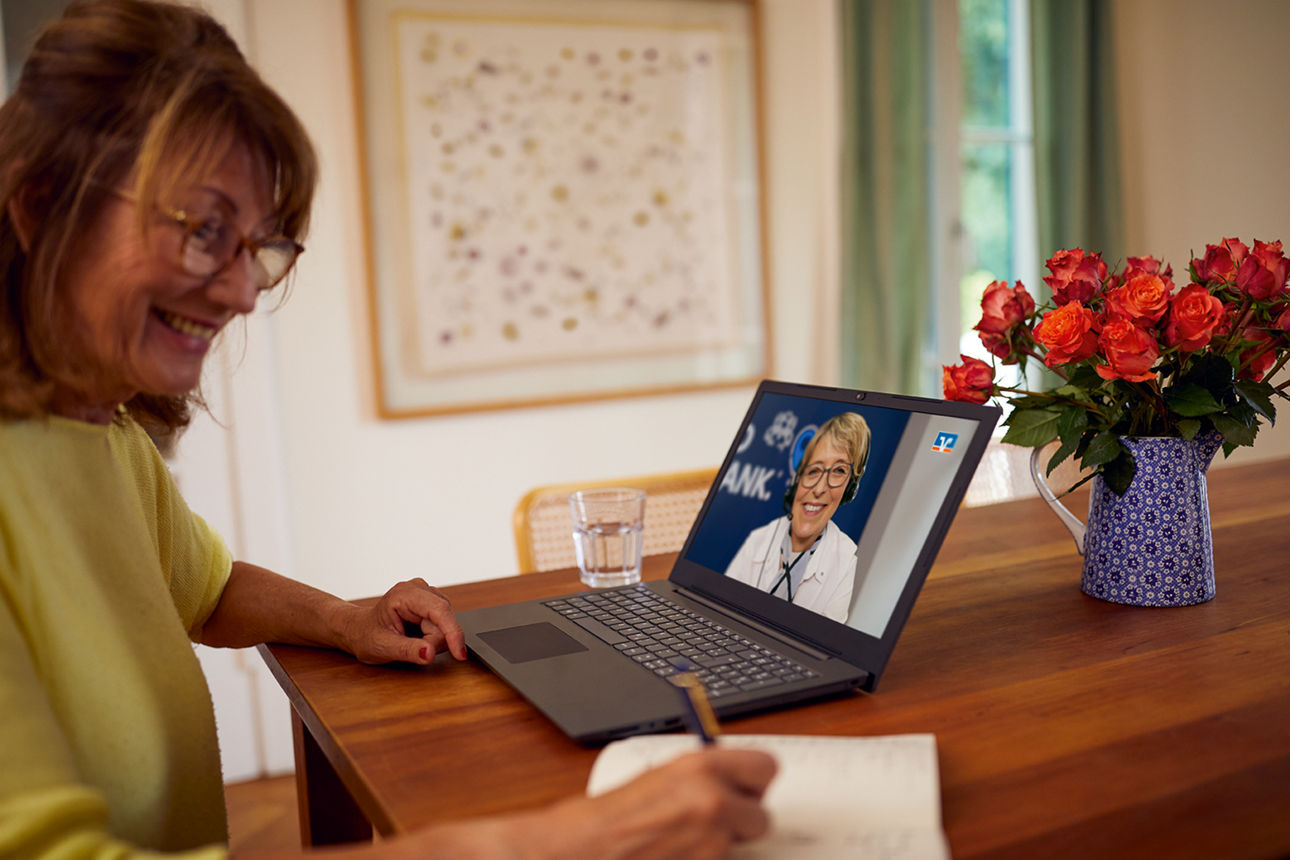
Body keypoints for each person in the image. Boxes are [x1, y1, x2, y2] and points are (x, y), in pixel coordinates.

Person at [0, 1, 775, 856]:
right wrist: (565, 841)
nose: (242, 290)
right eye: (204, 231)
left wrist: (342, 618)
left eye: (256, 247)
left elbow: (204, 589)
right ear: (42, 206)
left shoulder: (98, 431)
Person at [725, 412, 871, 623]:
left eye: (839, 470)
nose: (820, 488)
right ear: (797, 479)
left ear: (850, 488)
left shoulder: (845, 560)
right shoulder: (758, 540)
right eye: (814, 470)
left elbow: (823, 645)